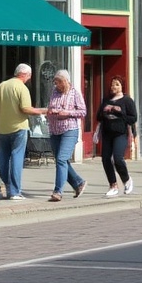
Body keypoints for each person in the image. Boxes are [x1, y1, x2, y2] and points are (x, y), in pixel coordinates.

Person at [0, 63, 46, 200]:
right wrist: (43, 111)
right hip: (19, 127)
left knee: (3, 157)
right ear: (26, 75)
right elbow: (25, 109)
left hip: (2, 127)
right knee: (17, 157)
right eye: (29, 75)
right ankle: (15, 191)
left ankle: (8, 185)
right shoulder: (22, 88)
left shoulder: (2, 86)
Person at [45, 69, 87, 202]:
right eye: (55, 82)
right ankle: (78, 183)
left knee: (62, 159)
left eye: (59, 82)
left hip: (69, 130)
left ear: (66, 81)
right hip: (54, 130)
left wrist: (67, 113)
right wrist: (51, 111)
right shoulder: (54, 92)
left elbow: (82, 111)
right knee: (60, 161)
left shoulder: (74, 93)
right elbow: (51, 106)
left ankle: (58, 191)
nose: (57, 85)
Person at [94, 76, 138, 197]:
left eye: (117, 84)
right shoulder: (106, 99)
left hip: (120, 133)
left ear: (122, 87)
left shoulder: (127, 101)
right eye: (113, 84)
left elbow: (133, 118)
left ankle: (127, 180)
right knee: (106, 159)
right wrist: (105, 111)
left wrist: (119, 111)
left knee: (118, 159)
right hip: (107, 133)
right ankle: (113, 185)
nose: (114, 87)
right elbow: (98, 116)